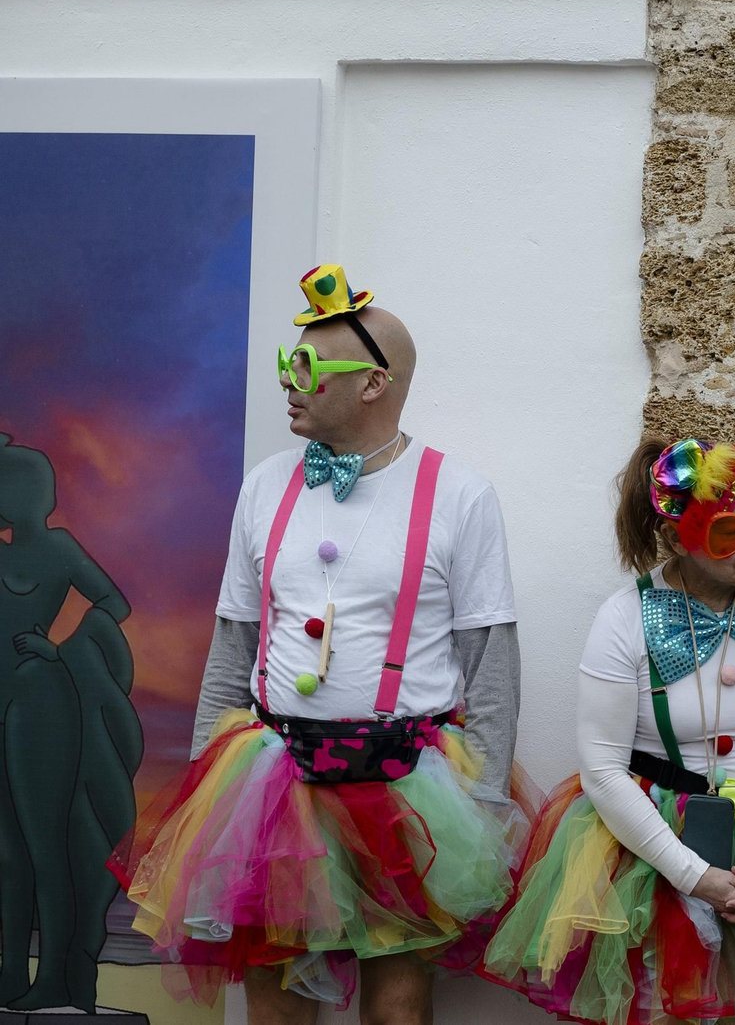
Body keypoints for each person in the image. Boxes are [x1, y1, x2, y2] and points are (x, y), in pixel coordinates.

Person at [110, 264, 530, 1024]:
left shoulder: (459, 494)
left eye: (304, 366)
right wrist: (208, 782)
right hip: (272, 784)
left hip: (406, 786)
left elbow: (490, 660)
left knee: (397, 1012)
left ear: (373, 384)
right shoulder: (265, 485)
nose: (288, 380)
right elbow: (232, 649)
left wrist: (489, 798)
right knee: (276, 1011)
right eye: (285, 363)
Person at [481, 436, 735, 1025]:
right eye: (732, 531)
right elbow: (602, 769)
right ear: (678, 536)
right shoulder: (625, 617)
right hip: (652, 857)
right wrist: (693, 875)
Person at [0, 434, 142, 1012]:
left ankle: (57, 977)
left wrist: (61, 648)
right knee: (7, 852)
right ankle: (13, 973)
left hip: (41, 704)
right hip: (4, 700)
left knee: (46, 847)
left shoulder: (58, 549)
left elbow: (114, 603)